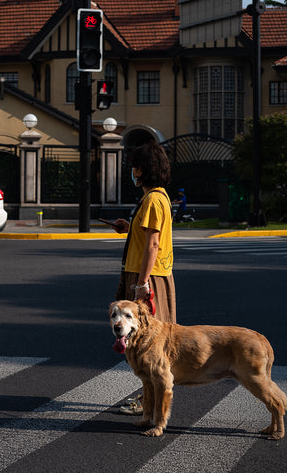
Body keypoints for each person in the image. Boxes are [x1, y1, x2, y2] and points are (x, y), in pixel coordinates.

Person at [113, 142, 176, 414]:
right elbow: (146, 237)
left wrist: (141, 283)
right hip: (150, 273)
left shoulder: (152, 199)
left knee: (151, 343)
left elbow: (153, 244)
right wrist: (129, 228)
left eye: (134, 166)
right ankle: (149, 399)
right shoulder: (158, 197)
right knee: (148, 342)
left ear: (142, 170)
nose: (132, 171)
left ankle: (149, 402)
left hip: (148, 276)